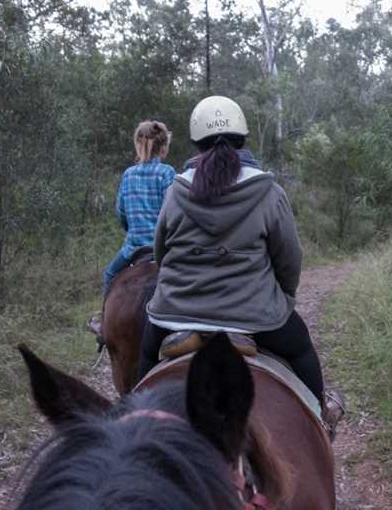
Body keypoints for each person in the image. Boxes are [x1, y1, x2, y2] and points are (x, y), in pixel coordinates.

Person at [138, 96, 342, 427]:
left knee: (146, 352)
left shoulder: (176, 191)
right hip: (255, 316)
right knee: (301, 348)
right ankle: (321, 418)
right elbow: (289, 258)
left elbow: (161, 252)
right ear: (242, 138)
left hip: (176, 315)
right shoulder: (267, 190)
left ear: (196, 142)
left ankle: (134, 418)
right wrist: (284, 298)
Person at [101, 120, 175, 294]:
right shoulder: (167, 172)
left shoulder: (128, 174)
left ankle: (103, 319)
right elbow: (174, 212)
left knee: (109, 274)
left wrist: (133, 227)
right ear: (163, 147)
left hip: (133, 248)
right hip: (164, 248)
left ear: (138, 145)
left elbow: (122, 214)